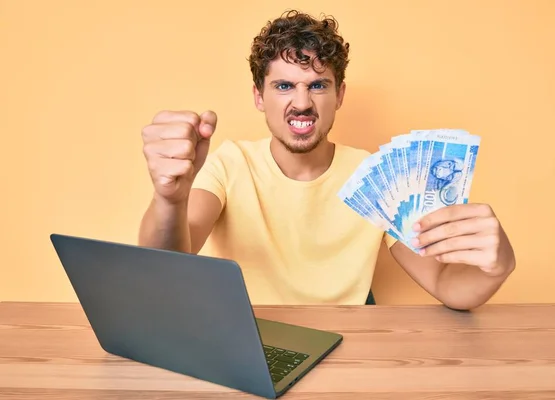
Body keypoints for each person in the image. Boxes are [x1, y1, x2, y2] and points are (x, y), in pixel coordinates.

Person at [138, 10, 516, 309]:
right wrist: (169, 199)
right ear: (258, 96)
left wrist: (499, 265)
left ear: (339, 95)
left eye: (318, 85)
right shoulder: (230, 163)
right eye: (284, 86)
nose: (301, 103)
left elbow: (448, 285)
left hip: (348, 348)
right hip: (252, 341)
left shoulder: (376, 178)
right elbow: (166, 266)